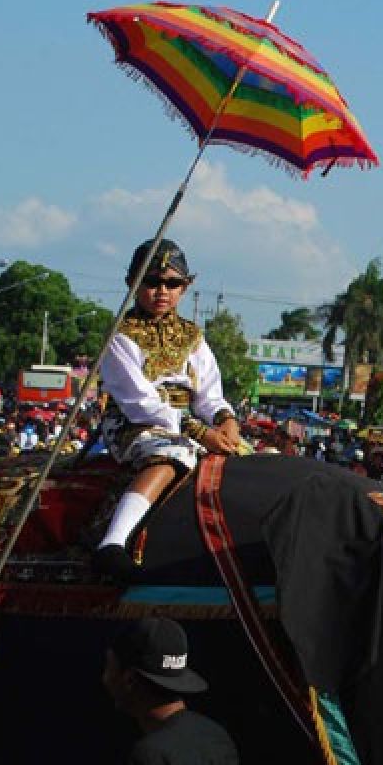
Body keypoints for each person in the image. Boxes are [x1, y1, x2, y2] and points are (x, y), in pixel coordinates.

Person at [95, 240, 241, 578]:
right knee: (172, 453)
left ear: (185, 287)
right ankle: (113, 542)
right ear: (133, 283)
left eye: (172, 284)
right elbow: (142, 402)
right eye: (152, 282)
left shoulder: (193, 336)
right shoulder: (120, 336)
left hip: (191, 424)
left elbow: (209, 394)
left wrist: (226, 420)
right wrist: (200, 432)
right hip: (136, 424)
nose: (162, 291)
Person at [103, 617, 238, 765]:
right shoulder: (218, 738)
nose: (104, 679)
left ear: (129, 680)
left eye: (109, 667)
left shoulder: (151, 759)